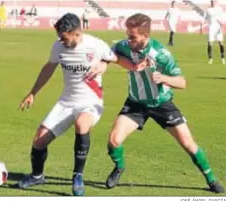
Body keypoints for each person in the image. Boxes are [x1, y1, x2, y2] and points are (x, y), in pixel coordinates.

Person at [102, 13, 224, 194]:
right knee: (113, 140)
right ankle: (119, 167)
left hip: (162, 104)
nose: (129, 40)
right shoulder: (123, 46)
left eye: (133, 37)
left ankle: (211, 179)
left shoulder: (161, 54)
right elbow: (108, 56)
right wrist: (106, 65)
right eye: (128, 34)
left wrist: (164, 78)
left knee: (188, 144)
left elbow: (182, 82)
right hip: (136, 104)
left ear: (145, 36)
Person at [17, 13, 135, 196]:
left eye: (64, 37)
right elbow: (49, 67)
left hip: (91, 102)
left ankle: (77, 176)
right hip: (66, 102)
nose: (60, 41)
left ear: (77, 33)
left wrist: (110, 64)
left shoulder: (95, 45)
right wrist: (33, 93)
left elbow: (117, 59)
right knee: (39, 141)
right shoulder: (58, 47)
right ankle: (37, 176)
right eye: (59, 37)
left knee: (82, 123)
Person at [202, 0, 225, 65]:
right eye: (211, 1)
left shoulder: (219, 9)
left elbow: (222, 17)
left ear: (216, 2)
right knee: (210, 43)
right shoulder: (208, 10)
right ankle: (210, 59)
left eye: (214, 1)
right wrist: (202, 22)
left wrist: (222, 22)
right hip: (211, 28)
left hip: (218, 28)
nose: (212, 2)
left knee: (221, 43)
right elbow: (205, 18)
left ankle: (223, 59)